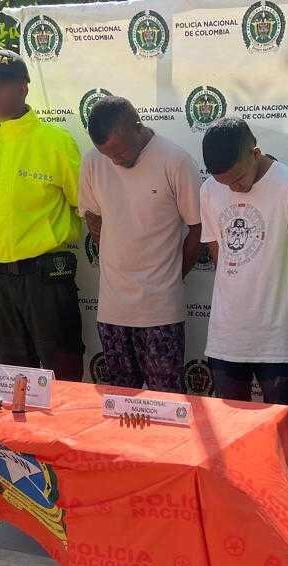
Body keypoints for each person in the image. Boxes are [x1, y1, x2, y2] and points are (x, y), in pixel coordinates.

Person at [0, 50, 84, 380]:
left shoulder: (55, 143)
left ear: (22, 88)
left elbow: (88, 208)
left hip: (45, 281)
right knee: (14, 378)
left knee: (62, 375)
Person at [79, 97, 202, 393]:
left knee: (166, 402)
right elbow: (92, 214)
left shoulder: (175, 161)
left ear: (137, 127)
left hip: (160, 311)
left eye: (119, 152)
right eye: (106, 154)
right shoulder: (93, 161)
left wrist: (172, 277)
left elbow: (198, 228)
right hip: (112, 309)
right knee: (121, 403)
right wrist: (112, 257)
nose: (115, 161)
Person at [199, 118, 288, 414]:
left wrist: (285, 307)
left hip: (276, 338)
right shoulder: (208, 190)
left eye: (238, 179)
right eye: (224, 183)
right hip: (225, 336)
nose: (234, 189)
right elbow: (219, 255)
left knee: (281, 432)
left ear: (255, 153)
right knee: (230, 430)